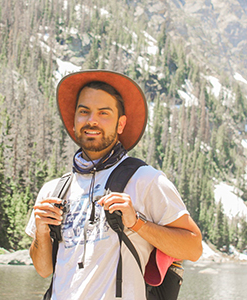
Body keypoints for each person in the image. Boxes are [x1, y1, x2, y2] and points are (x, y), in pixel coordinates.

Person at [25, 70, 202, 300]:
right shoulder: (54, 190)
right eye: (84, 111)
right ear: (74, 120)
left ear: (121, 124)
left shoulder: (146, 179)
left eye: (103, 113)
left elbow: (193, 248)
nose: (92, 120)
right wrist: (41, 232)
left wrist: (137, 223)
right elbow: (44, 269)